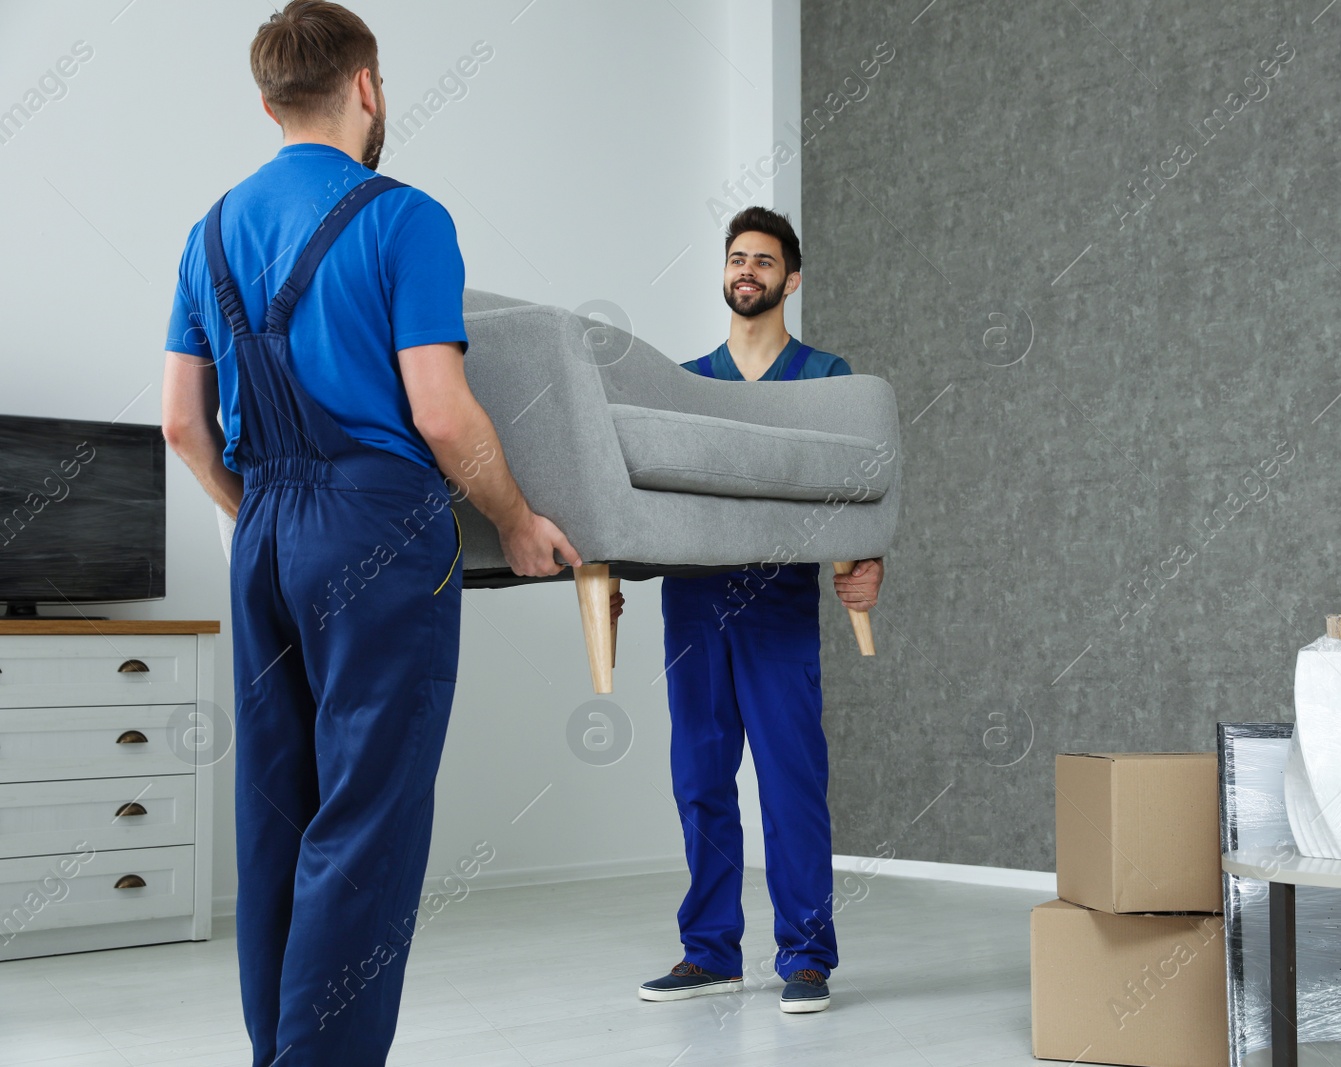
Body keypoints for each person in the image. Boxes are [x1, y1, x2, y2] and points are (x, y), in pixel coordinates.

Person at [159, 4, 606, 1063]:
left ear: (267, 102)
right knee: (366, 817)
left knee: (281, 813)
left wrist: (258, 518)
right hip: (375, 522)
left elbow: (181, 421)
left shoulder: (209, 230)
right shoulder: (406, 219)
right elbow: (442, 411)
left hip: (263, 525)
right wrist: (516, 518)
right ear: (368, 87)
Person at [637, 206, 885, 1015]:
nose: (747, 270)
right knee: (700, 783)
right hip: (693, 601)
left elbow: (855, 489)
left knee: (791, 784)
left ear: (792, 277)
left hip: (778, 603)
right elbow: (641, 492)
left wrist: (869, 561)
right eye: (737, 258)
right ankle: (709, 953)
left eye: (764, 261)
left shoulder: (824, 380)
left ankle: (806, 956)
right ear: (724, 272)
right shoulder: (683, 383)